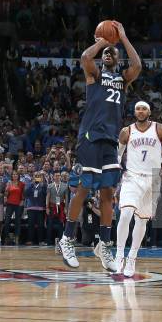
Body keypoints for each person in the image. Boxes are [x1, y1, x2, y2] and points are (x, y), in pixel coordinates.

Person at [58, 21, 142, 271]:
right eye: (105, 51)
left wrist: (123, 37)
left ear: (118, 56)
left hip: (110, 140)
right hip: (90, 137)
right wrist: (104, 40)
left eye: (112, 51)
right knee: (84, 188)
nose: (107, 53)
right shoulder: (94, 74)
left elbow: (137, 65)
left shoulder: (123, 79)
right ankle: (67, 239)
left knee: (108, 195)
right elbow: (85, 57)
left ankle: (104, 245)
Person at [114, 101, 162, 277]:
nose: (140, 111)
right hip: (132, 177)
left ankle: (132, 257)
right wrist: (116, 170)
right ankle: (119, 255)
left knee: (142, 221)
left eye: (143, 109)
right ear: (134, 112)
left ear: (149, 111)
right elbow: (117, 155)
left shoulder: (160, 129)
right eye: (137, 109)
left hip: (152, 180)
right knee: (125, 214)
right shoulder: (126, 131)